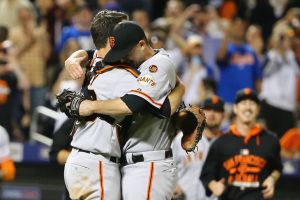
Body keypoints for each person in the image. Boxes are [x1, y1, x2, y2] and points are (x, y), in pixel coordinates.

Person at [63, 16, 184, 200]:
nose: (123, 56)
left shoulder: (157, 65)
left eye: (126, 51)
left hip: (148, 162)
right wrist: (73, 58)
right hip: (112, 162)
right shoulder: (127, 68)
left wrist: (91, 106)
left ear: (142, 45)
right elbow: (95, 53)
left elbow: (142, 105)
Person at [201, 88, 282, 200]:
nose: (248, 107)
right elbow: (206, 174)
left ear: (258, 109)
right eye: (243, 103)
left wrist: (272, 179)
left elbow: (277, 168)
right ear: (235, 108)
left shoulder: (271, 140)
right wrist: (213, 185)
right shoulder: (220, 142)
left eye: (252, 103)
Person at [172, 95, 225, 200]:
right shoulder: (183, 138)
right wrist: (173, 185)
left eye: (217, 110)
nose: (212, 114)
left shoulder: (228, 143)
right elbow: (165, 166)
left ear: (224, 115)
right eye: (208, 109)